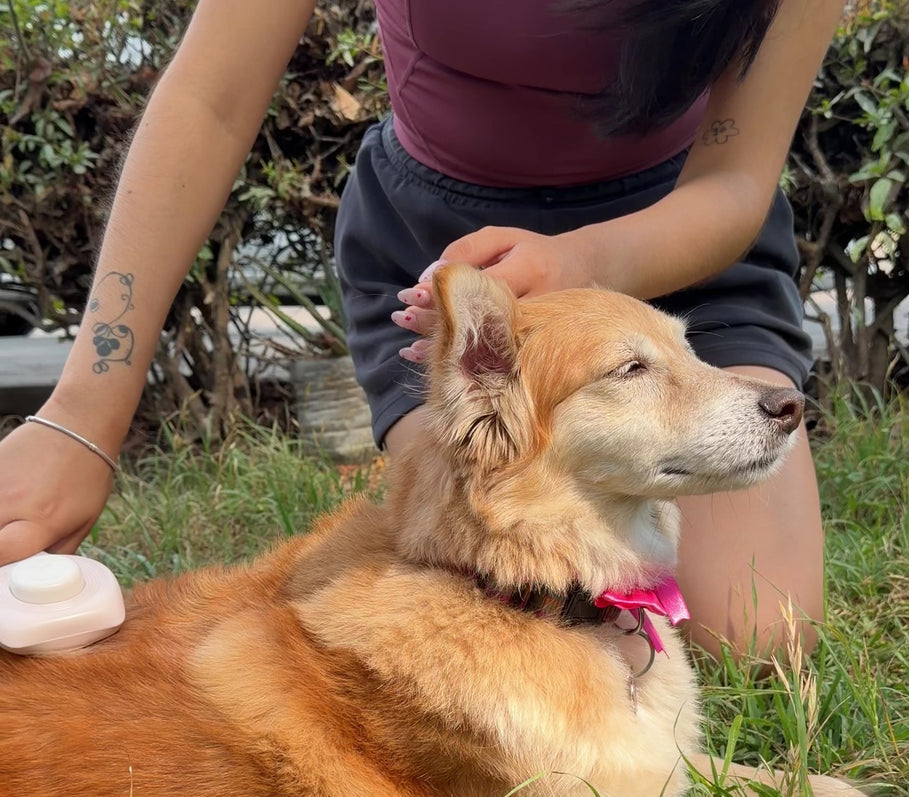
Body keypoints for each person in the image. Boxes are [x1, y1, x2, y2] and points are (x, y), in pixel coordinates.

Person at [0, 0, 843, 660]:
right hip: (442, 260)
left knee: (757, 634)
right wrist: (82, 418)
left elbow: (735, 182)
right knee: (507, 579)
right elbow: (210, 100)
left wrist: (582, 262)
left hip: (676, 246)